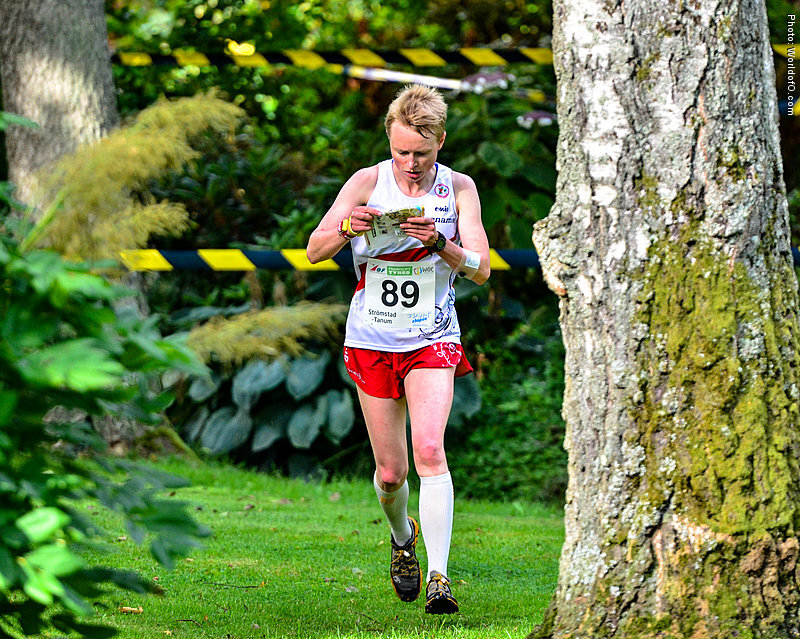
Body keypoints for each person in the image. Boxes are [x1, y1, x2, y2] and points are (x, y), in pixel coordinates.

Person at [306, 84, 490, 615]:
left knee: (430, 450)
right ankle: (402, 538)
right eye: (401, 151)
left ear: (441, 142)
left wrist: (440, 244)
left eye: (422, 153)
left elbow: (482, 268)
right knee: (391, 473)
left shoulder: (459, 188)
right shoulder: (368, 181)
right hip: (372, 339)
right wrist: (347, 226)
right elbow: (315, 249)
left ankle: (439, 578)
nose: (410, 164)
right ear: (390, 142)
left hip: (433, 337)